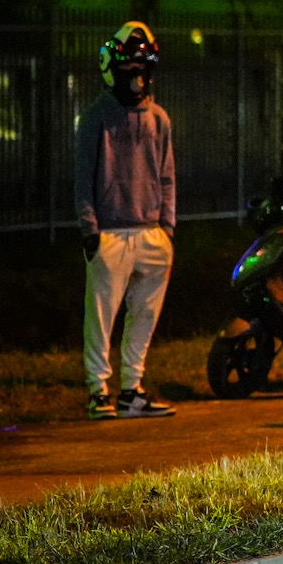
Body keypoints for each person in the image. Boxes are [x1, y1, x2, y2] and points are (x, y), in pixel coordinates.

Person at [75, 21, 177, 421]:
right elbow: (84, 178)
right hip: (111, 234)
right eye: (129, 69)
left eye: (141, 68)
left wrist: (167, 229)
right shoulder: (95, 117)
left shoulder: (159, 119)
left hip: (151, 233)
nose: (136, 77)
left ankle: (130, 390)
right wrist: (91, 231)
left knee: (144, 316)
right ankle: (97, 391)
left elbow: (166, 174)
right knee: (101, 317)